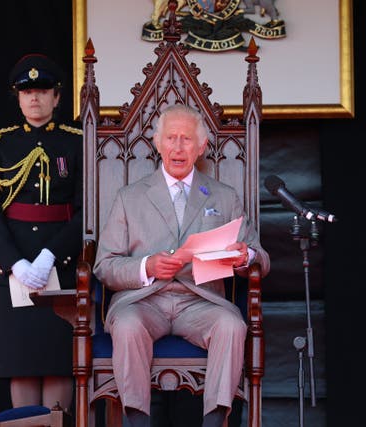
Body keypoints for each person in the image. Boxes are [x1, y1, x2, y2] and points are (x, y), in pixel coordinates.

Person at [92, 104, 271, 427]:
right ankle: (137, 421)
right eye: (171, 138)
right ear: (157, 144)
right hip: (143, 301)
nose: (178, 147)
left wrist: (247, 257)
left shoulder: (223, 196)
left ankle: (215, 421)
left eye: (186, 139)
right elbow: (104, 267)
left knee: (232, 325)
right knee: (128, 326)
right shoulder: (129, 197)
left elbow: (261, 257)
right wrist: (146, 266)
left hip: (201, 302)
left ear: (201, 147)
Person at [0, 53, 82, 412]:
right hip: (13, 271)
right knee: (19, 365)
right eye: (26, 92)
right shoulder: (0, 145)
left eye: (42, 90)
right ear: (18, 97)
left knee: (58, 364)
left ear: (57, 96)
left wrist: (51, 255)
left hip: (61, 264)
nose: (34, 98)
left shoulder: (76, 142)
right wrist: (15, 264)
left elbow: (84, 213)